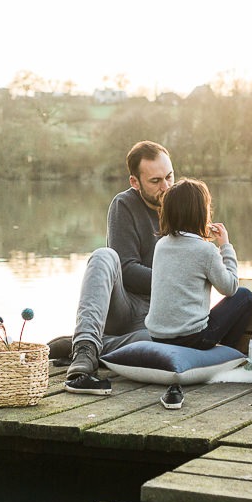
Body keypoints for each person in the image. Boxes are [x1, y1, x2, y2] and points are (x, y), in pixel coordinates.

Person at [62, 141, 176, 395]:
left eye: (169, 176)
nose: (166, 186)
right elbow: (127, 271)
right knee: (104, 256)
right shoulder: (123, 205)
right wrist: (172, 279)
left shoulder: (183, 203)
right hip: (125, 307)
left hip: (158, 321)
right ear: (135, 182)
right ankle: (84, 351)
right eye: (155, 181)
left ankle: (94, 343)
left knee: (161, 345)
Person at [145, 178, 252, 409]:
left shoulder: (161, 245)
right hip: (192, 338)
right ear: (200, 213)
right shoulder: (206, 250)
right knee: (244, 296)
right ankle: (226, 351)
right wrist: (225, 245)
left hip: (157, 335)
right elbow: (230, 287)